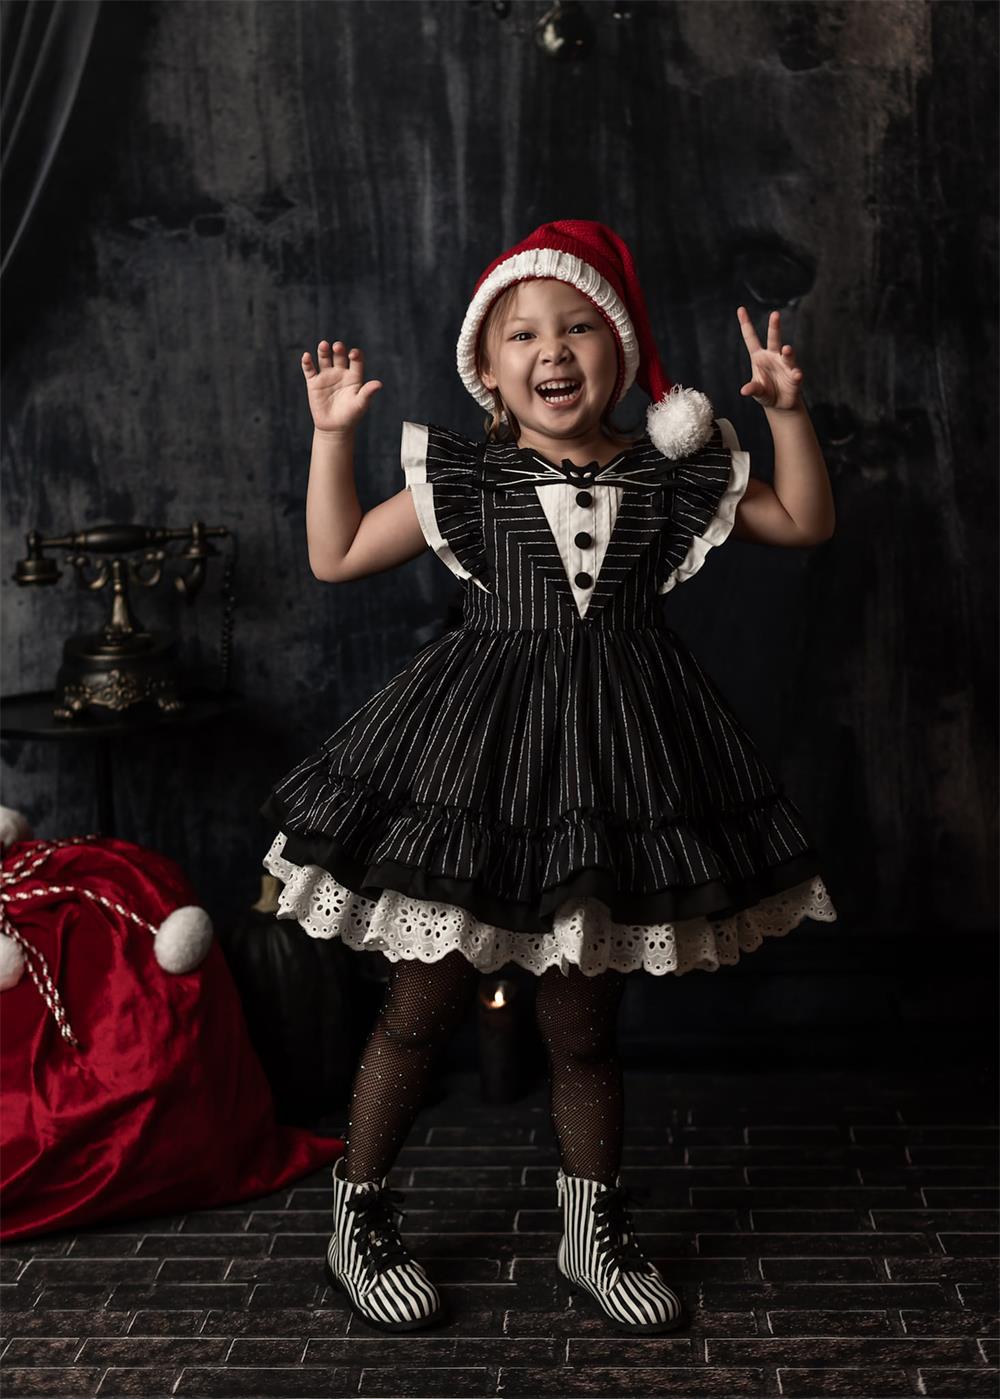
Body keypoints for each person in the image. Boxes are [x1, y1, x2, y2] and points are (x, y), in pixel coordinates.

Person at [259, 219, 839, 1336]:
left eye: (578, 326)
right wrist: (333, 437)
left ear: (621, 353)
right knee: (422, 1000)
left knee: (582, 1021)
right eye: (522, 332)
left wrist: (784, 412)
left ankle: (590, 1226)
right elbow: (334, 556)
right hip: (473, 760)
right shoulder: (466, 475)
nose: (552, 350)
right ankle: (359, 1214)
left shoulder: (675, 470)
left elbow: (805, 520)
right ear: (488, 365)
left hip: (619, 764)